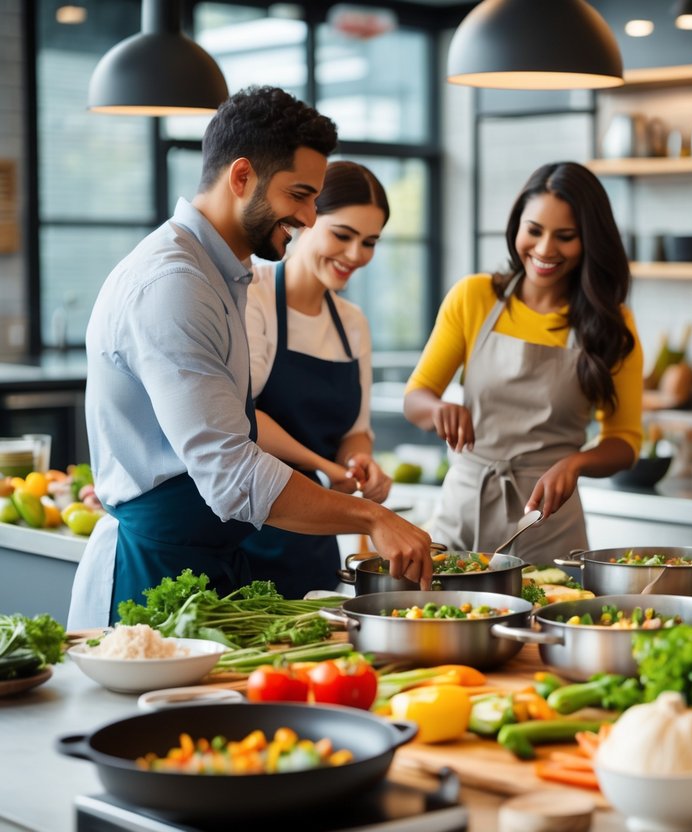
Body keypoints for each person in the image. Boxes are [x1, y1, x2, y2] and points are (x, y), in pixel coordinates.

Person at [69, 86, 431, 629]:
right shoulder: (176, 285)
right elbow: (232, 472)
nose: (309, 217)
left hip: (210, 562)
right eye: (301, 195)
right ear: (241, 177)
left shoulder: (220, 274)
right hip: (154, 572)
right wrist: (370, 515)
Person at [403, 162, 643, 562]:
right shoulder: (474, 297)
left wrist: (576, 463)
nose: (545, 249)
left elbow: (626, 441)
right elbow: (416, 398)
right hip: (463, 514)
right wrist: (438, 408)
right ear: (517, 227)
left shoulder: (610, 325)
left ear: (590, 241)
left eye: (565, 237)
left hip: (549, 524)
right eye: (534, 230)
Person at [239, 161, 393, 599]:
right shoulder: (254, 294)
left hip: (315, 543)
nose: (355, 255)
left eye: (369, 242)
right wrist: (328, 470)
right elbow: (243, 418)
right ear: (306, 220)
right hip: (249, 530)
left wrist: (359, 463)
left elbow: (355, 430)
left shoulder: (352, 323)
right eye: (342, 235)